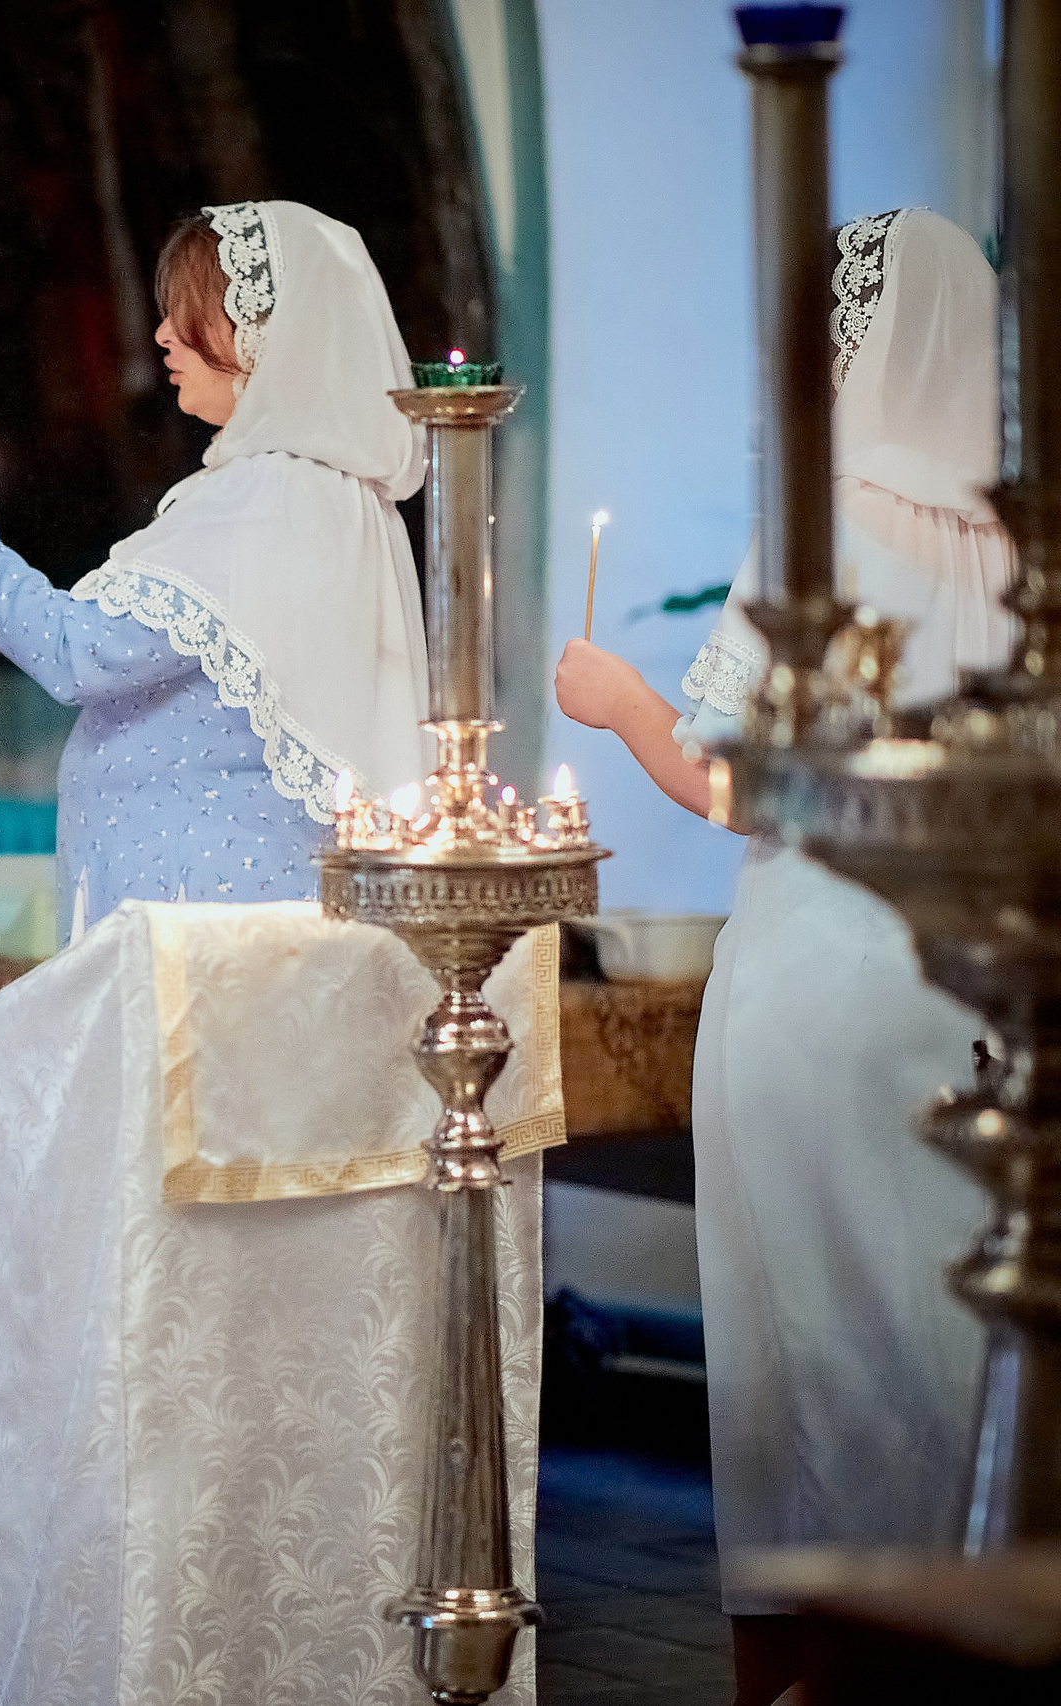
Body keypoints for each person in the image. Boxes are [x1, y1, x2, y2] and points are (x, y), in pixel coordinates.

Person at [553, 206, 1006, 1706]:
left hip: (813, 982)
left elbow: (738, 779)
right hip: (965, 1001)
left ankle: (802, 1677)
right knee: (938, 1337)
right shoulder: (1024, 544)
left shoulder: (826, 519)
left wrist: (620, 701)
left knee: (795, 1351)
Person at [0, 200, 430, 928]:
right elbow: (159, 651)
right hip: (231, 921)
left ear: (270, 337)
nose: (162, 336)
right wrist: (5, 613)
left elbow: (80, 652)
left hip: (204, 931)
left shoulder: (270, 492)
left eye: (191, 314)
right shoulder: (330, 496)